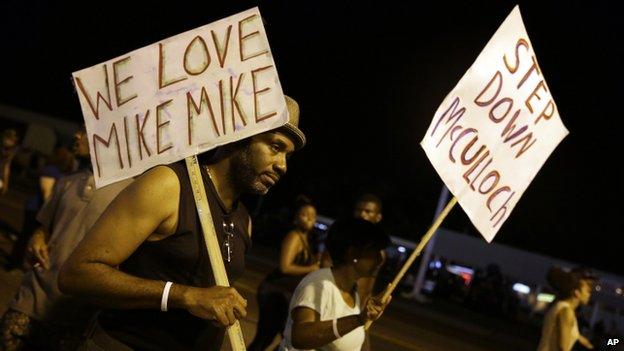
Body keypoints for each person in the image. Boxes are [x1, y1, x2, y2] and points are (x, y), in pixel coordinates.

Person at [59, 96, 305, 350]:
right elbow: (77, 274)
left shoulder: (244, 220)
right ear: (240, 135)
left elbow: (210, 304)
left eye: (288, 155)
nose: (283, 166)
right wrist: (183, 295)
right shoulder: (168, 185)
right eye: (276, 147)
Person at [0, 129, 133, 351]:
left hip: (75, 317)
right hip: (31, 300)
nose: (77, 136)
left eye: (85, 130)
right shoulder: (68, 181)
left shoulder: (132, 193)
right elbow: (44, 227)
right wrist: (38, 237)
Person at [280, 218, 391, 351]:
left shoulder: (352, 291)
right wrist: (358, 319)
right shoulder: (319, 284)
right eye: (374, 252)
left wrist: (363, 320)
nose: (380, 259)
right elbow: (300, 338)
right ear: (353, 253)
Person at [249, 196, 320, 350]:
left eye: (313, 216)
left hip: (285, 295)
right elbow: (285, 267)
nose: (309, 219)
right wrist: (312, 268)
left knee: (284, 339)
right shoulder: (294, 236)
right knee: (267, 337)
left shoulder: (307, 239)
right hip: (274, 293)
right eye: (305, 215)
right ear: (296, 218)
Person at [537, 267, 595, 351]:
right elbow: (563, 347)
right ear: (577, 292)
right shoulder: (566, 312)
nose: (589, 294)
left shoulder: (560, 306)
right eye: (587, 291)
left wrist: (582, 340)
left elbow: (570, 332)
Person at [0, 129, 20, 195]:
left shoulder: (12, 150)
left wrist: (6, 183)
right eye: (10, 140)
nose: (11, 143)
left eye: (13, 142)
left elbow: (7, 166)